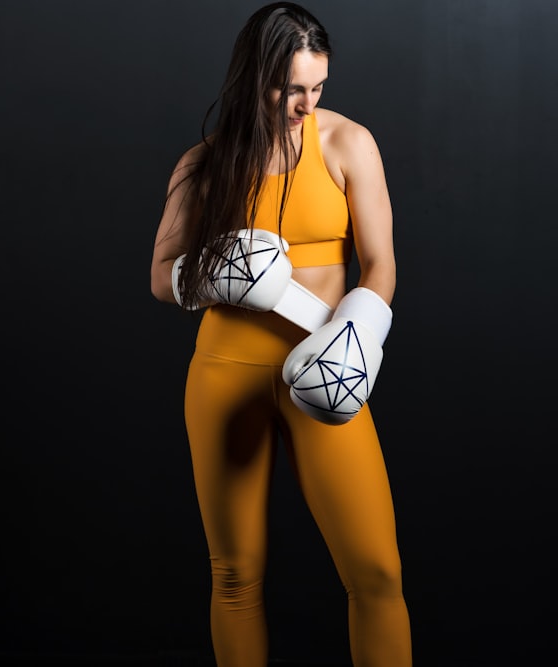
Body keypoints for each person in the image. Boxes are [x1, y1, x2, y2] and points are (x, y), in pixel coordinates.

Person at [149, 3, 412, 665]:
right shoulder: (203, 164)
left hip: (324, 365)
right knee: (235, 576)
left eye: (317, 86)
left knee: (376, 573)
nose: (307, 102)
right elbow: (159, 275)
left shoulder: (347, 143)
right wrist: (214, 271)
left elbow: (380, 265)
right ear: (253, 76)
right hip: (224, 371)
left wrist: (358, 330)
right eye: (291, 88)